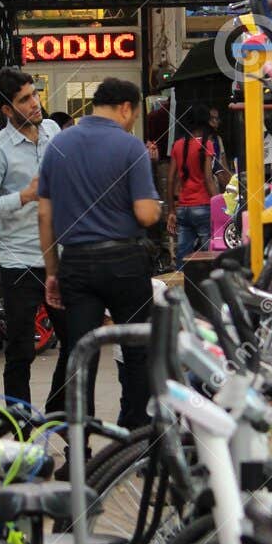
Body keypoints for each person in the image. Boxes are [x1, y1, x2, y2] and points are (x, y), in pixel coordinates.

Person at [38, 77, 160, 429]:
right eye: (133, 116)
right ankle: (137, 441)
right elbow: (145, 214)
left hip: (76, 264)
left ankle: (79, 450)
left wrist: (52, 271)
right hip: (125, 263)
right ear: (125, 108)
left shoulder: (58, 145)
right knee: (138, 350)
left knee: (81, 354)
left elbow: (44, 215)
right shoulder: (129, 147)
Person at [0, 68, 67, 412]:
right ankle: (20, 426)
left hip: (60, 257)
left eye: (35, 94)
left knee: (76, 343)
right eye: (24, 99)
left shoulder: (53, 132)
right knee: (21, 351)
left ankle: (60, 414)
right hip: (20, 262)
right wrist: (23, 197)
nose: (35, 103)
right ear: (7, 110)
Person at [168, 103, 231, 270]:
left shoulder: (177, 145)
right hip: (203, 206)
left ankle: (181, 285)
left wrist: (172, 210)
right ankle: (205, 288)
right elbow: (209, 179)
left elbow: (170, 179)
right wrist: (219, 204)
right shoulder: (207, 144)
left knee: (183, 251)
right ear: (204, 123)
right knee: (207, 254)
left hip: (183, 208)